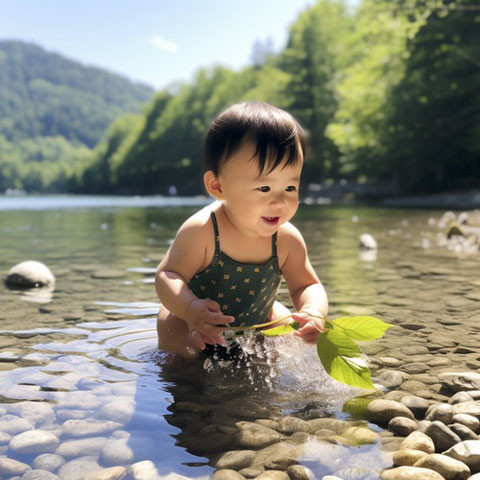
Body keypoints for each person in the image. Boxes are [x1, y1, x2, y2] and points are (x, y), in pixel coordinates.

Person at [155, 101, 328, 358]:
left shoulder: (286, 239)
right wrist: (191, 308)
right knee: (178, 340)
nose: (280, 202)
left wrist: (313, 311)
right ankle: (186, 388)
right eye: (264, 188)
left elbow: (306, 285)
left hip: (256, 323)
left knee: (286, 335)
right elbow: (168, 275)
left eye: (290, 188)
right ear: (217, 186)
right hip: (194, 324)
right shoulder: (202, 231)